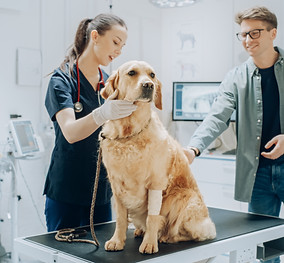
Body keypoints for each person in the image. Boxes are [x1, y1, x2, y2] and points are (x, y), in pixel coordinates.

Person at [184, 6, 284, 263]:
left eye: (255, 33)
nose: (247, 40)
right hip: (258, 174)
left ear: (273, 33)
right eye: (243, 34)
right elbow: (217, 117)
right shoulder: (236, 77)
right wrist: (193, 148)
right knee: (264, 248)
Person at [44, 13, 137, 232]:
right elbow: (70, 133)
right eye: (115, 42)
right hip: (67, 191)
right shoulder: (62, 80)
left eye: (122, 46)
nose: (119, 51)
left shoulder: (110, 81)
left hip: (101, 193)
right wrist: (102, 113)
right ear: (95, 36)